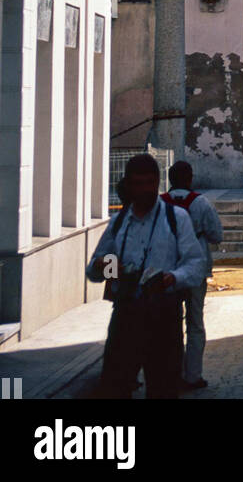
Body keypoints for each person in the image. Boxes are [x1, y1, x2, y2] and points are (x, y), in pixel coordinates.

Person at [87, 153, 204, 399]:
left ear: (158, 182)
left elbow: (196, 264)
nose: (144, 190)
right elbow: (94, 270)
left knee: (163, 389)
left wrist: (173, 277)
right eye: (138, 183)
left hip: (163, 315)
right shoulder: (119, 223)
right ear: (128, 185)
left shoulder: (175, 219)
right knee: (115, 388)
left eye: (150, 183)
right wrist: (109, 267)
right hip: (125, 314)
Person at [161, 160, 223, 392]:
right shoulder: (201, 203)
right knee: (195, 322)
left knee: (170, 322)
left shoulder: (160, 203)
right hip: (196, 268)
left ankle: (171, 371)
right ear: (190, 178)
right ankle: (193, 375)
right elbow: (216, 235)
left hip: (168, 269)